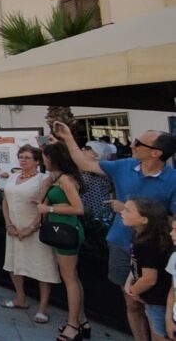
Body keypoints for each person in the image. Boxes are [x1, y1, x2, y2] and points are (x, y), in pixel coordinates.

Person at [53, 122, 176, 341]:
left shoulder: (173, 180)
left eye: (138, 142)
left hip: (154, 250)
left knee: (150, 303)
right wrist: (68, 137)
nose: (132, 144)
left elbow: (173, 220)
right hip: (121, 243)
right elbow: (84, 163)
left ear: (156, 153)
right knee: (131, 300)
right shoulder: (124, 165)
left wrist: (134, 211)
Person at [0, 144, 59, 324]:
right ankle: (20, 298)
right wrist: (8, 224)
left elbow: (43, 205)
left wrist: (32, 227)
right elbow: (5, 202)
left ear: (37, 161)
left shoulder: (44, 179)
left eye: (27, 157)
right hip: (14, 227)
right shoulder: (13, 177)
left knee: (42, 266)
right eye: (21, 157)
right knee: (13, 262)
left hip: (34, 228)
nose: (23, 160)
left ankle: (43, 307)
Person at [36, 142, 87, 341]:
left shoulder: (65, 180)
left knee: (70, 279)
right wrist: (46, 187)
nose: (43, 161)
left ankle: (73, 325)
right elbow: (40, 202)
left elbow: (78, 208)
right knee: (72, 277)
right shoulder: (55, 179)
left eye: (45, 157)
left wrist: (49, 210)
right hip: (59, 230)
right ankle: (82, 320)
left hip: (67, 229)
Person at [122, 198, 173, 341]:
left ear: (144, 219)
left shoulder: (147, 245)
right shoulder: (139, 236)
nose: (122, 212)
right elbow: (136, 266)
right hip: (152, 298)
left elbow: (149, 279)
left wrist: (133, 291)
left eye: (128, 210)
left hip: (157, 299)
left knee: (159, 333)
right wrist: (130, 282)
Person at [80, 142, 114, 216]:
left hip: (99, 214)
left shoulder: (102, 169)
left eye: (87, 148)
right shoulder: (83, 169)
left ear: (96, 154)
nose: (83, 149)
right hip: (86, 212)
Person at [164, 217, 176, 339]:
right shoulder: (174, 257)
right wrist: (168, 318)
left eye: (175, 230)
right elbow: (173, 288)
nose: (171, 233)